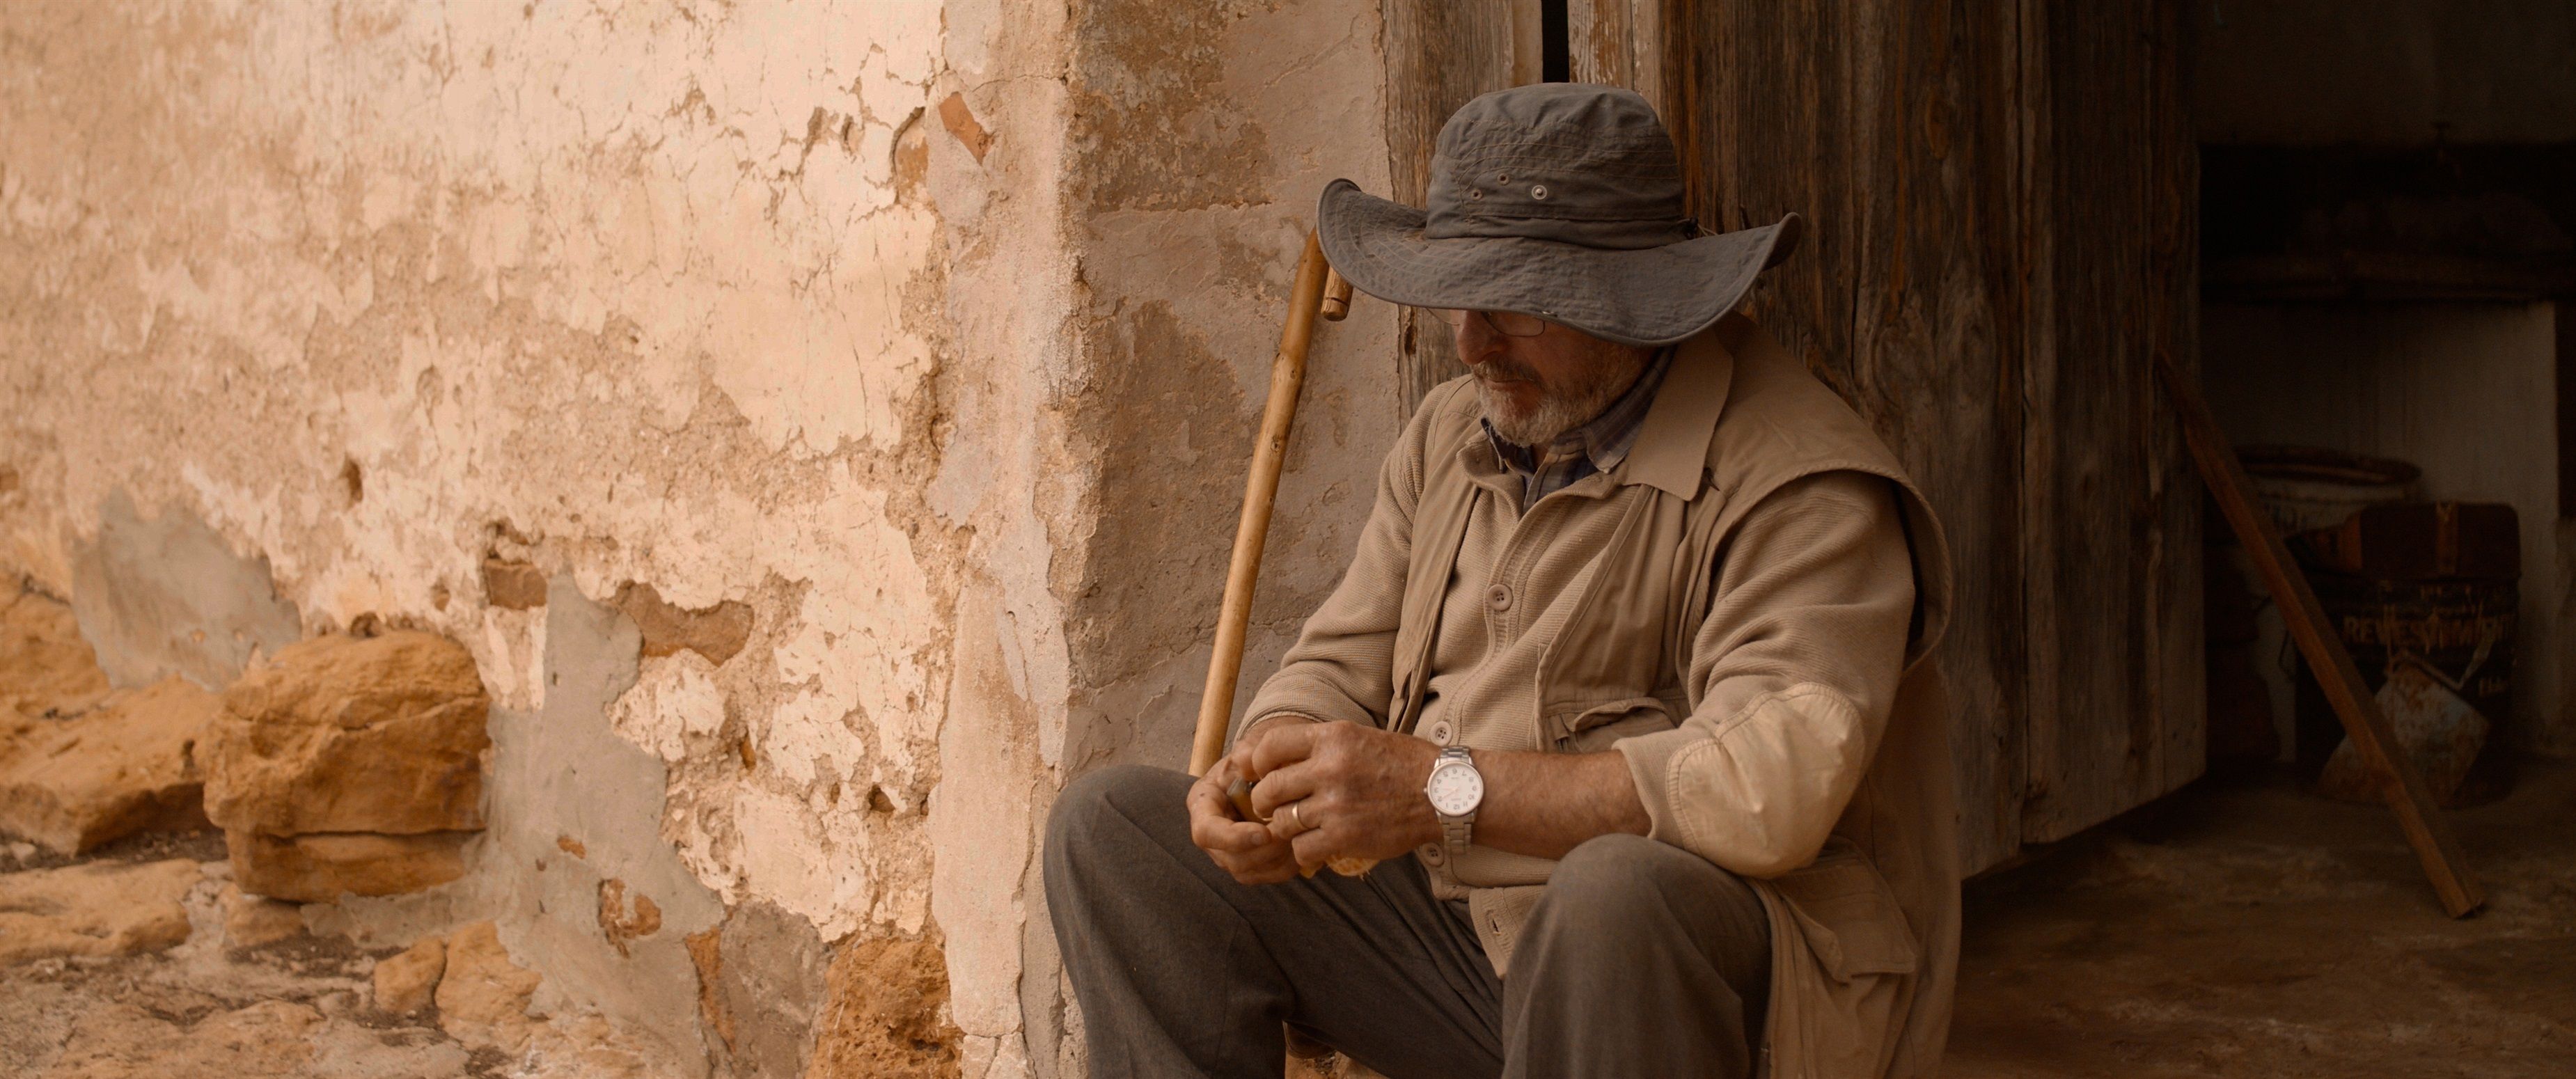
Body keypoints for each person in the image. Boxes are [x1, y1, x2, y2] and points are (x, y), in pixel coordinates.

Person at [1045, 83, 1958, 1079]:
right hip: (1467, 950)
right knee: (1115, 836)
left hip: (1689, 1001)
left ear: (1632, 297)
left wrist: (1438, 790)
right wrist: (1268, 773)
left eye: (1516, 306)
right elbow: (1340, 660)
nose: (1473, 341)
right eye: (1458, 298)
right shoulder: (1452, 431)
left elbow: (1768, 790)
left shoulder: (1800, 481)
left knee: (1612, 898)